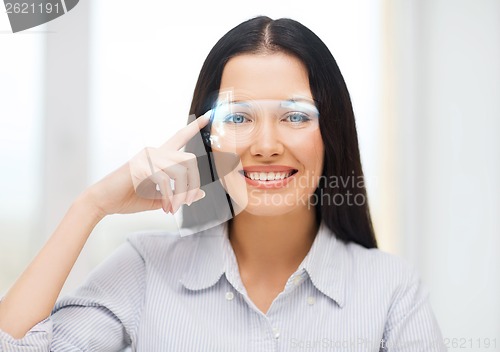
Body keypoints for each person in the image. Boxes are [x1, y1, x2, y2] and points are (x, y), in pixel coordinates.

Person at [0, 16, 446, 351]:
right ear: (206, 141)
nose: (266, 145)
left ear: (331, 134)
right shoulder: (145, 269)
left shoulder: (391, 290)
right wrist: (91, 205)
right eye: (238, 117)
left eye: (294, 116)